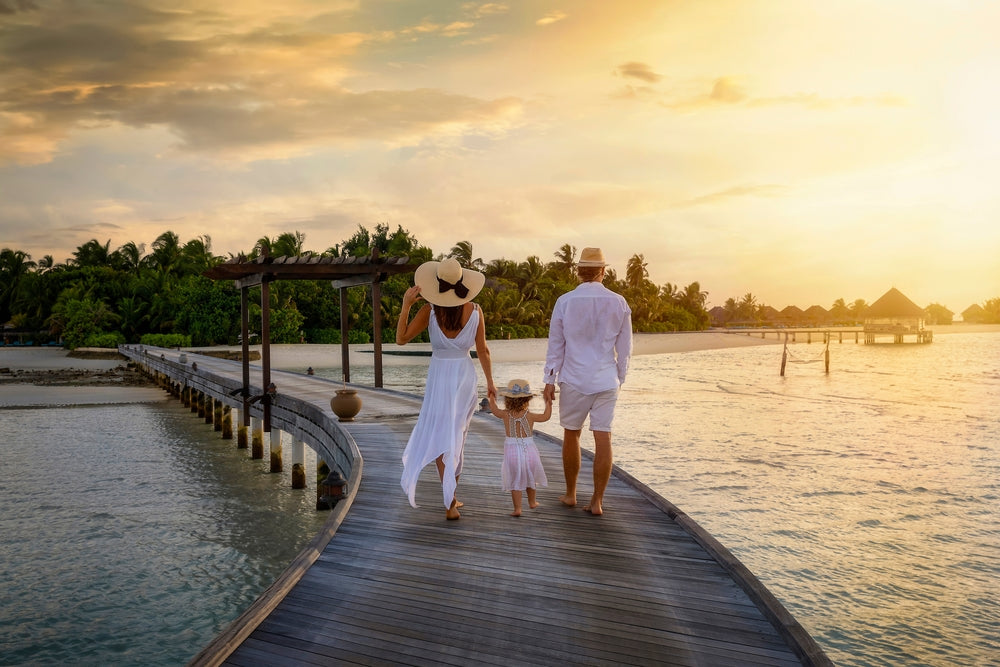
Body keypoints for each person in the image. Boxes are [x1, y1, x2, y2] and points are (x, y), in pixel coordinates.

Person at [398, 257, 497, 520]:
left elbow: (401, 339)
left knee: (445, 436)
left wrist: (406, 305)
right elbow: (483, 351)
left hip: (440, 376)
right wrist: (490, 382)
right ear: (462, 282)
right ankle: (450, 497)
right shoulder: (475, 310)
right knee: (457, 435)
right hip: (464, 376)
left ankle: (450, 500)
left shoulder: (429, 311)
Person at [543, 247, 632, 516]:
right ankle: (597, 502)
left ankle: (571, 494)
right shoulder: (619, 302)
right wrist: (620, 377)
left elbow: (556, 345)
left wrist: (549, 379)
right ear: (603, 271)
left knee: (572, 434)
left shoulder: (565, 301)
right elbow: (625, 348)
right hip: (606, 380)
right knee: (603, 436)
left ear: (579, 272)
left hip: (573, 378)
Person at [487, 379, 551, 517]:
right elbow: (546, 417)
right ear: (528, 399)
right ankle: (532, 502)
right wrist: (548, 403)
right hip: (530, 450)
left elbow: (494, 409)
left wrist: (491, 396)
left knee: (515, 479)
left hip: (512, 451)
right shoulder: (530, 416)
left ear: (508, 400)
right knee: (531, 477)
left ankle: (517, 509)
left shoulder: (505, 414)